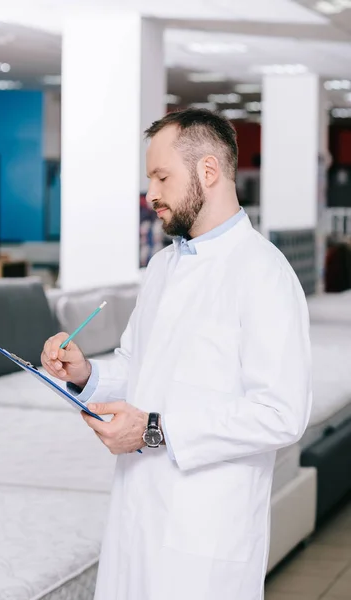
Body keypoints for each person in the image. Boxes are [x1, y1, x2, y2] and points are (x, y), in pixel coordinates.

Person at [41, 109, 312, 600]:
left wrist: (153, 428)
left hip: (205, 531)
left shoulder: (264, 274)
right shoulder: (164, 265)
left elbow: (281, 414)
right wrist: (85, 372)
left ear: (208, 171)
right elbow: (138, 365)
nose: (152, 195)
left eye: (162, 176)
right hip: (137, 512)